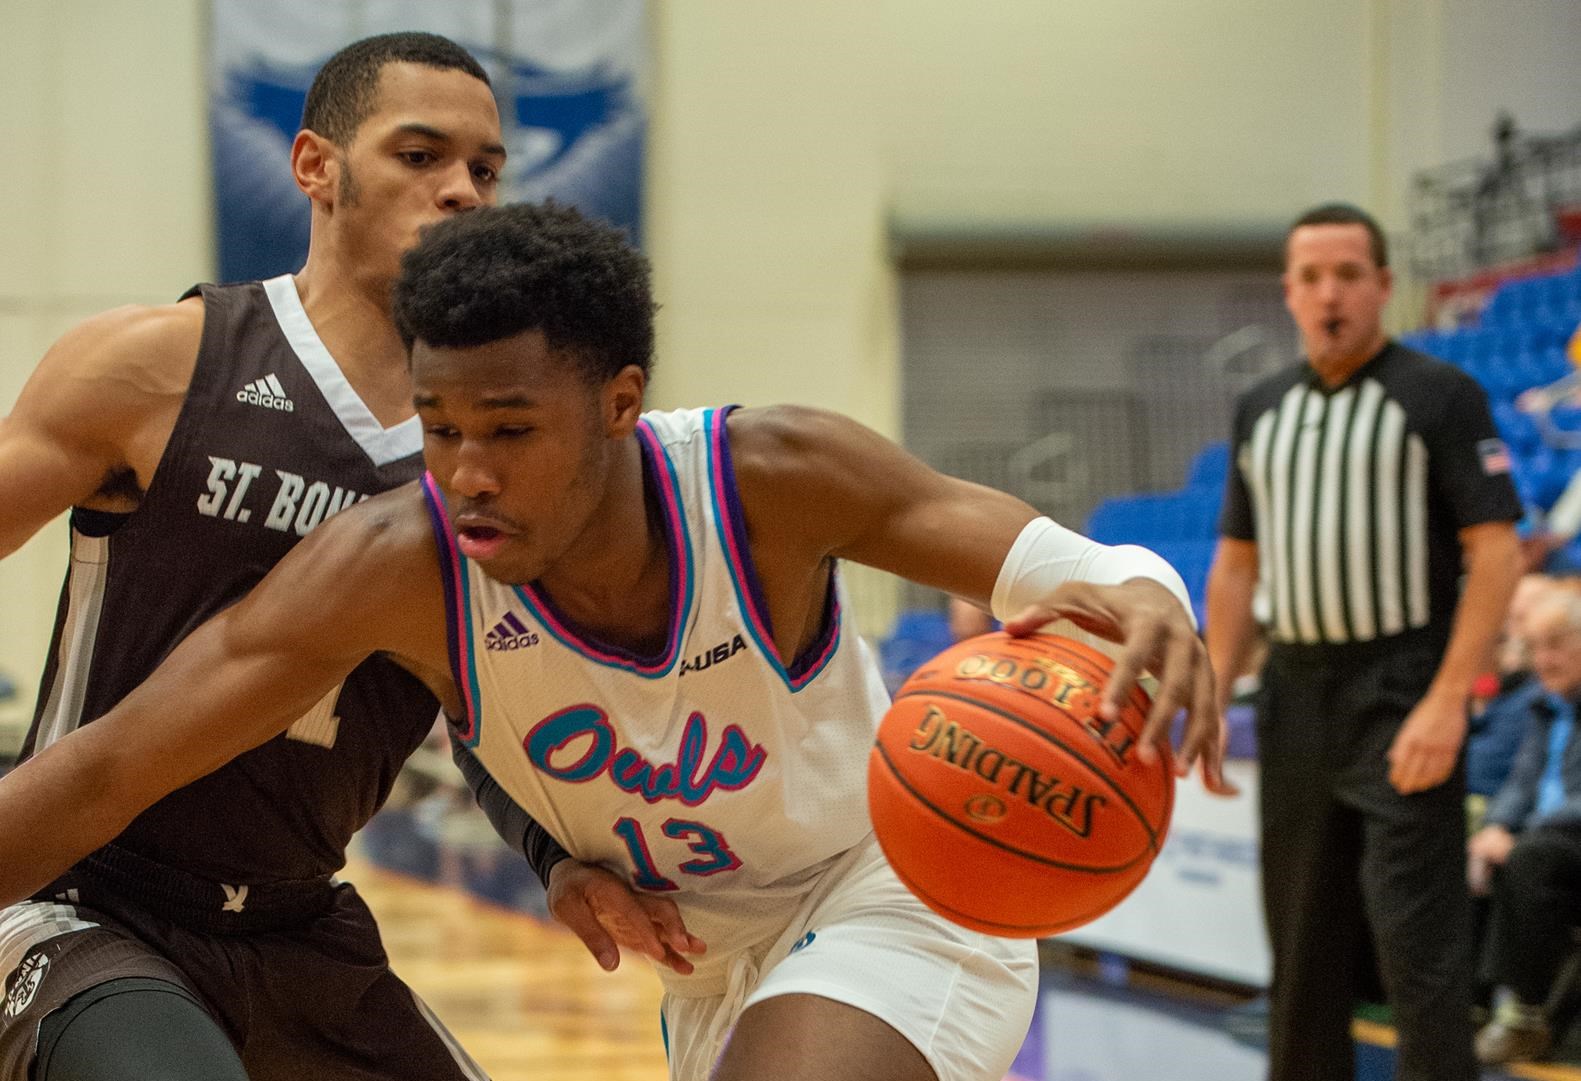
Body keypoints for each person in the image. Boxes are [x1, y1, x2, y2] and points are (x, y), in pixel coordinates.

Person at [0, 201, 1230, 1081]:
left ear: (619, 403)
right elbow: (110, 764)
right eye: (439, 428)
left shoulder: (772, 478)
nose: (466, 474)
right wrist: (555, 858)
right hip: (705, 970)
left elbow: (1058, 562)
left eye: (509, 430)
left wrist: (1144, 591)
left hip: (889, 889)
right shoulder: (394, 564)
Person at [0, 31, 522, 1081]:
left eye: (484, 169)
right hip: (80, 894)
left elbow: (502, 707)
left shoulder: (485, 450)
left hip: (300, 923)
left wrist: (565, 858)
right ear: (315, 166)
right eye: (420, 155)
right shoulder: (160, 363)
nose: (461, 190)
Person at [1204, 202, 1524, 1081]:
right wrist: (1210, 692)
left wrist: (1447, 699)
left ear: (1382, 286)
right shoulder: (1260, 409)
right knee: (1300, 951)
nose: (1328, 294)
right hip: (1294, 694)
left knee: (1417, 951)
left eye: (1347, 275)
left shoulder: (1439, 395)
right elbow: (1234, 567)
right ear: (1287, 292)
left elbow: (1496, 553)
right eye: (1310, 277)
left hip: (1402, 686)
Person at [1468, 589, 1581, 1064]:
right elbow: (1520, 781)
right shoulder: (1543, 704)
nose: (1543, 659)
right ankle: (1470, 1003)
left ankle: (1525, 1016)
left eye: (1556, 644)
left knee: (1532, 856)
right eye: (1534, 647)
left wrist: (1521, 834)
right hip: (1544, 835)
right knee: (1471, 843)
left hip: (1566, 837)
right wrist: (1496, 825)